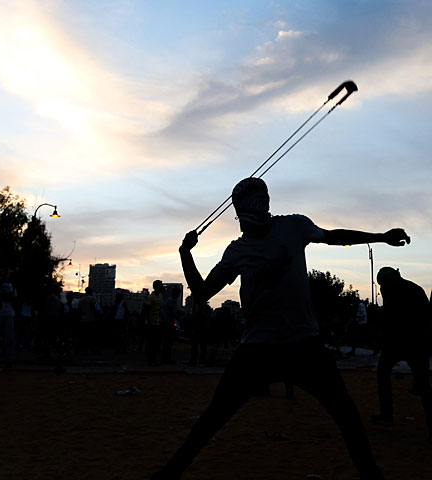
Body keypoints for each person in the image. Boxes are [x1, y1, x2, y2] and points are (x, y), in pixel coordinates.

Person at [153, 177, 411, 480]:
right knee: (213, 418)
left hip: (297, 346)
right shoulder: (240, 250)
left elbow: (333, 236)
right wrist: (185, 254)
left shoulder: (293, 227)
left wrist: (380, 237)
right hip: (263, 349)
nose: (249, 223)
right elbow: (201, 293)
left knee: (347, 417)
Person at [371, 266, 432, 441]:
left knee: (385, 373)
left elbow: (390, 319)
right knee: (423, 385)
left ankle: (387, 414)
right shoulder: (414, 289)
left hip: (406, 342)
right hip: (414, 343)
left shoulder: (397, 292)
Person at [145, 280, 164, 366]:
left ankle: (155, 359)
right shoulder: (150, 297)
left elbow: (159, 309)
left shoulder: (160, 296)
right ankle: (150, 360)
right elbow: (147, 310)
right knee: (151, 343)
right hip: (151, 323)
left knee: (157, 343)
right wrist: (149, 322)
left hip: (158, 323)